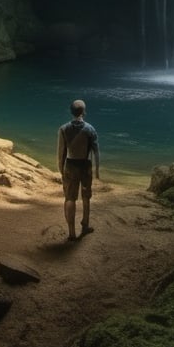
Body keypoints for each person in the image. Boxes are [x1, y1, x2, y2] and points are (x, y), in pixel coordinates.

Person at [57, 98, 100, 241]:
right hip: (85, 165)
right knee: (86, 197)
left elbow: (61, 153)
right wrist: (97, 169)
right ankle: (85, 224)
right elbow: (96, 152)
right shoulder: (90, 129)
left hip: (70, 165)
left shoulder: (63, 129)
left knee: (70, 198)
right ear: (84, 112)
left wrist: (61, 170)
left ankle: (71, 233)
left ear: (71, 112)